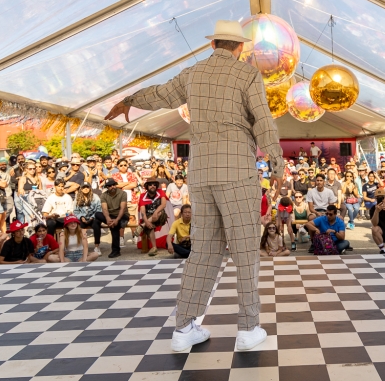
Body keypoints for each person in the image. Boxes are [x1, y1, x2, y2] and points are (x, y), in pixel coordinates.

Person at [106, 19, 284, 352]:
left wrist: (130, 99)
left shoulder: (193, 74)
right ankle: (248, 329)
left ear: (212, 44)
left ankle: (185, 328)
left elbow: (159, 94)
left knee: (204, 251)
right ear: (241, 47)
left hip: (201, 172)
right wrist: (276, 163)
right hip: (237, 172)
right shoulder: (247, 74)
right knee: (245, 251)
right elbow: (262, 120)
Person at [100, 178, 128, 258]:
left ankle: (115, 250)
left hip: (122, 215)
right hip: (110, 215)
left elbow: (123, 208)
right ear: (107, 187)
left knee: (114, 226)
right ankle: (114, 250)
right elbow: (104, 209)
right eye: (109, 186)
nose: (112, 187)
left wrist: (117, 219)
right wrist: (108, 219)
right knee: (97, 215)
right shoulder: (103, 195)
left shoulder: (123, 193)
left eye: (113, 185)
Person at [138, 177, 167, 256]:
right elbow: (143, 211)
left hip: (161, 216)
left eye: (154, 184)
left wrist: (156, 212)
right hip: (148, 217)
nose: (152, 186)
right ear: (147, 186)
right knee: (149, 226)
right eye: (150, 185)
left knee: (159, 213)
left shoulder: (160, 192)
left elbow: (163, 204)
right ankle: (154, 248)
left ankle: (142, 226)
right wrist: (146, 222)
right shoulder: (142, 196)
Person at [74, 182, 103, 255]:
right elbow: (75, 211)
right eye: (84, 187)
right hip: (83, 217)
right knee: (79, 226)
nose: (86, 189)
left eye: (87, 187)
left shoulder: (95, 197)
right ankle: (81, 246)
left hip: (93, 217)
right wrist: (81, 217)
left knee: (96, 225)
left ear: (90, 188)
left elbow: (99, 209)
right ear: (81, 189)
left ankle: (97, 246)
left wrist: (92, 217)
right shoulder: (77, 197)